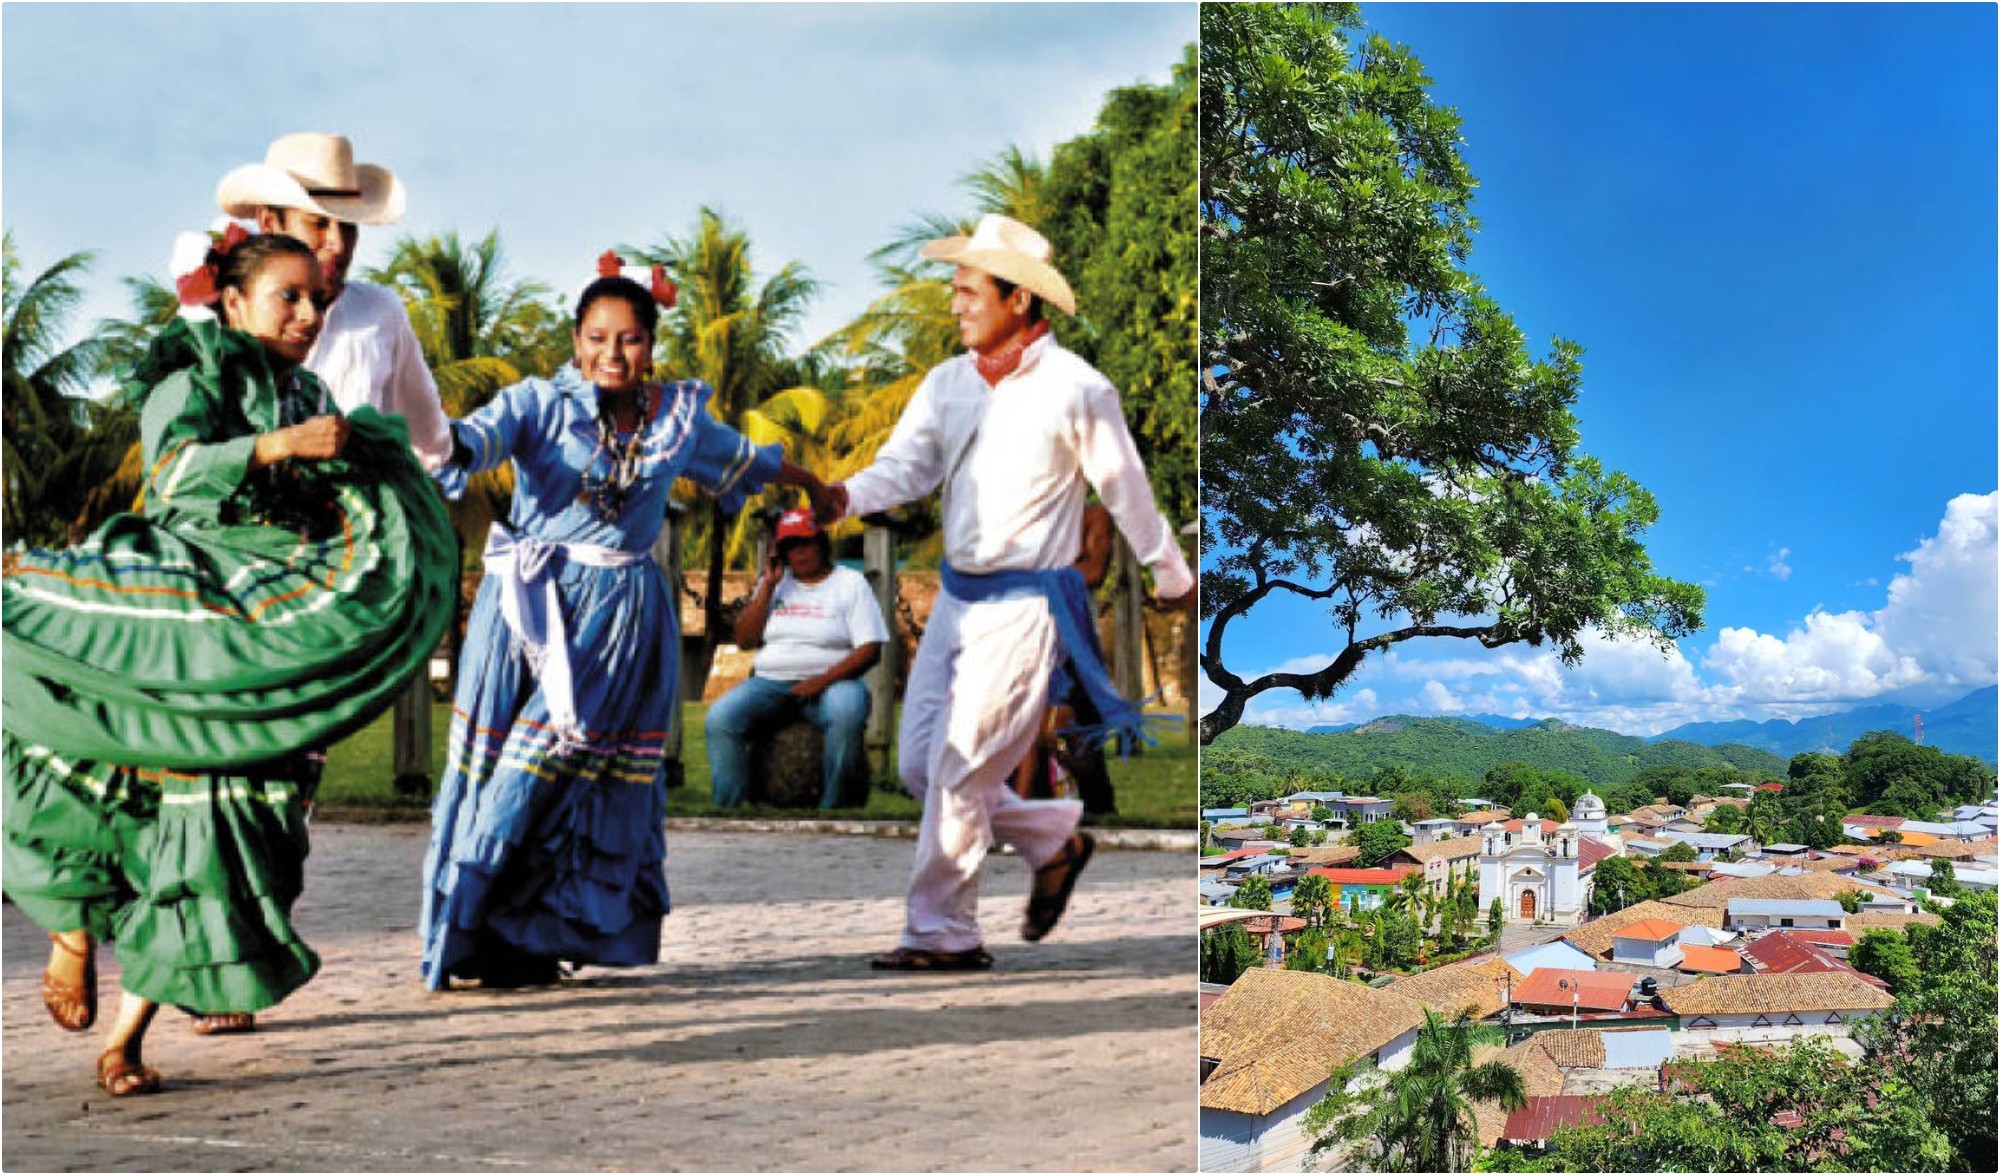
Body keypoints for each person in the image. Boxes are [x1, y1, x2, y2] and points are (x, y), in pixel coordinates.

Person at [3, 231, 455, 1096]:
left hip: (265, 626)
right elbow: (173, 478)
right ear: (234, 301)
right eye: (288, 295)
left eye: (317, 298)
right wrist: (279, 448)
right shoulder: (192, 371)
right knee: (128, 792)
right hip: (189, 617)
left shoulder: (310, 391)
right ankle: (74, 932)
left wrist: (366, 475)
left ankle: (126, 1037)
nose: (309, 313)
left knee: (233, 822)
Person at [419, 260, 833, 990]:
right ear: (576, 342)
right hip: (527, 611)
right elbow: (467, 443)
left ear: (651, 345)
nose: (614, 353)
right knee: (508, 771)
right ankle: (473, 933)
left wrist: (818, 488)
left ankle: (531, 936)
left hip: (619, 623)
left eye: (632, 339)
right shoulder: (538, 404)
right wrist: (420, 425)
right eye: (599, 337)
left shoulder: (675, 420)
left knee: (567, 776)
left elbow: (750, 460)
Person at [820, 214, 1193, 971]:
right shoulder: (946, 384)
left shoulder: (1078, 388)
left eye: (968, 291)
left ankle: (942, 931)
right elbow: (907, 469)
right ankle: (1054, 838)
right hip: (957, 600)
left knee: (961, 769)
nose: (955, 304)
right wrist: (842, 497)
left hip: (1029, 607)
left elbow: (1124, 486)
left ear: (1018, 299)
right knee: (922, 770)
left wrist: (1170, 571)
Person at [184, 131, 453, 1034]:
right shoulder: (214, 312)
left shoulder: (380, 317)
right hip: (220, 579)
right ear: (269, 222)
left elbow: (432, 441)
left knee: (286, 783)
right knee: (212, 769)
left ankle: (241, 949)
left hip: (325, 595)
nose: (336, 249)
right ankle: (208, 953)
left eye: (349, 233)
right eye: (317, 226)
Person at [705, 509, 888, 809]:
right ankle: (729, 808)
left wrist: (820, 681)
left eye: (805, 543)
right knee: (720, 718)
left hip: (833, 682)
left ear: (821, 543)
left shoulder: (850, 583)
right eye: (789, 546)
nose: (798, 552)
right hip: (770, 683)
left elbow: (870, 649)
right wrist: (767, 586)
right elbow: (745, 640)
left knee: (847, 711)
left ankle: (834, 809)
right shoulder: (776, 584)